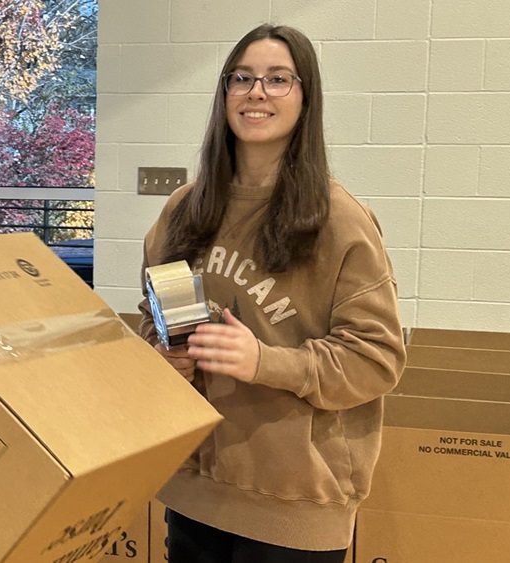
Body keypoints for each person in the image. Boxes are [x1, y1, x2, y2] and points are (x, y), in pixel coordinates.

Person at [138, 24, 406, 562]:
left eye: (278, 79)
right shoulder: (185, 209)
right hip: (192, 489)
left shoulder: (340, 221)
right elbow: (155, 311)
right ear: (225, 94)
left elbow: (377, 359)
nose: (256, 92)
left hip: (294, 508)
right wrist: (162, 353)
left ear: (306, 99)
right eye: (242, 78)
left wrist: (264, 361)